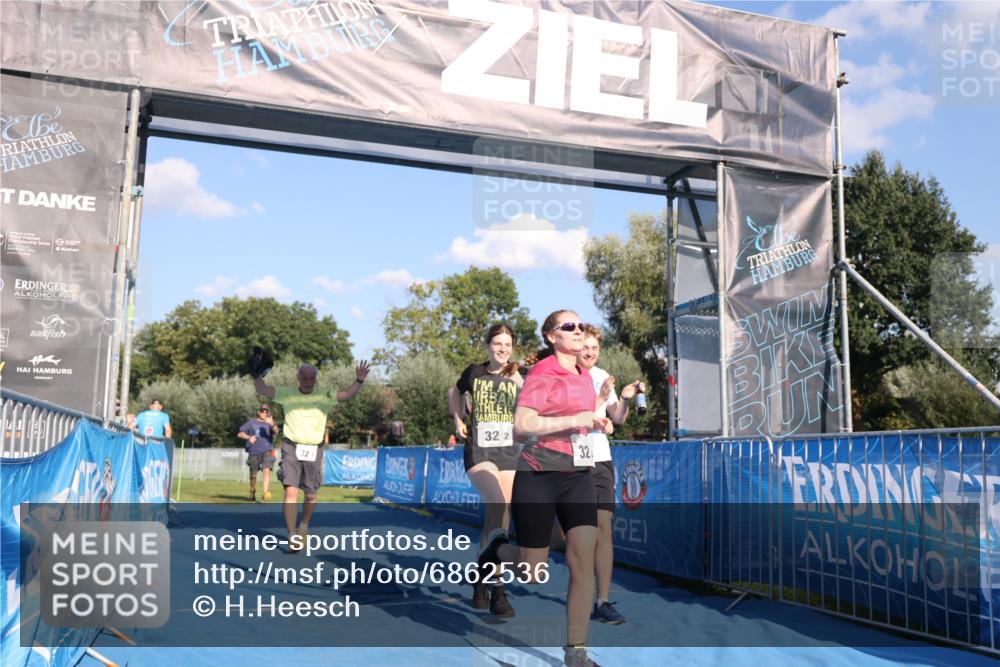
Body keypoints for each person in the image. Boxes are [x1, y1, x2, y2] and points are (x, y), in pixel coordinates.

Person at [477, 310, 611, 667]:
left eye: (581, 325)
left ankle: (576, 652)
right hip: (539, 474)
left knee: (582, 560)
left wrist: (598, 420)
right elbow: (522, 425)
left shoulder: (585, 375)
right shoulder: (543, 372)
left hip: (578, 475)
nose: (578, 331)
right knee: (531, 572)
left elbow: (580, 417)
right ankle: (497, 551)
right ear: (552, 337)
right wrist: (576, 419)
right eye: (569, 326)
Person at [252, 358, 369, 551]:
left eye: (311, 378)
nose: (308, 381)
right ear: (298, 378)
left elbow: (347, 394)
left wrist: (359, 380)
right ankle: (292, 535)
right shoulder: (286, 393)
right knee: (291, 491)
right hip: (291, 447)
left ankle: (304, 525)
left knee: (311, 495)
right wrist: (256, 374)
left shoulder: (325, 395)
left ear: (316, 379)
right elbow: (262, 389)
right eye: (304, 377)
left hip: (314, 449)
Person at [448, 323, 525, 618]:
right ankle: (499, 590)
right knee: (499, 506)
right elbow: (454, 391)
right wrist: (457, 418)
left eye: (507, 345)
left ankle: (481, 578)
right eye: (498, 343)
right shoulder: (474, 372)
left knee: (496, 519)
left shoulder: (520, 374)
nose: (503, 349)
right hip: (479, 450)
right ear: (488, 345)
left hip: (508, 452)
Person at [577, 324, 644, 625]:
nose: (590, 352)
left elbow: (616, 417)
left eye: (595, 348)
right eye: (585, 347)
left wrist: (625, 399)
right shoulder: (564, 376)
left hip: (600, 458)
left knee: (603, 528)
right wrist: (595, 412)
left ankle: (601, 602)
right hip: (569, 458)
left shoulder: (603, 376)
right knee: (569, 533)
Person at [238, 404, 279, 502]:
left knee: (266, 470)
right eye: (262, 411)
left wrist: (272, 424)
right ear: (258, 412)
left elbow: (277, 432)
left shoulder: (270, 422)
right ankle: (252, 491)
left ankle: (265, 494)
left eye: (266, 412)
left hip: (268, 450)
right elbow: (240, 434)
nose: (264, 413)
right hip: (254, 450)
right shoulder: (251, 423)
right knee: (253, 474)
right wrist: (249, 437)